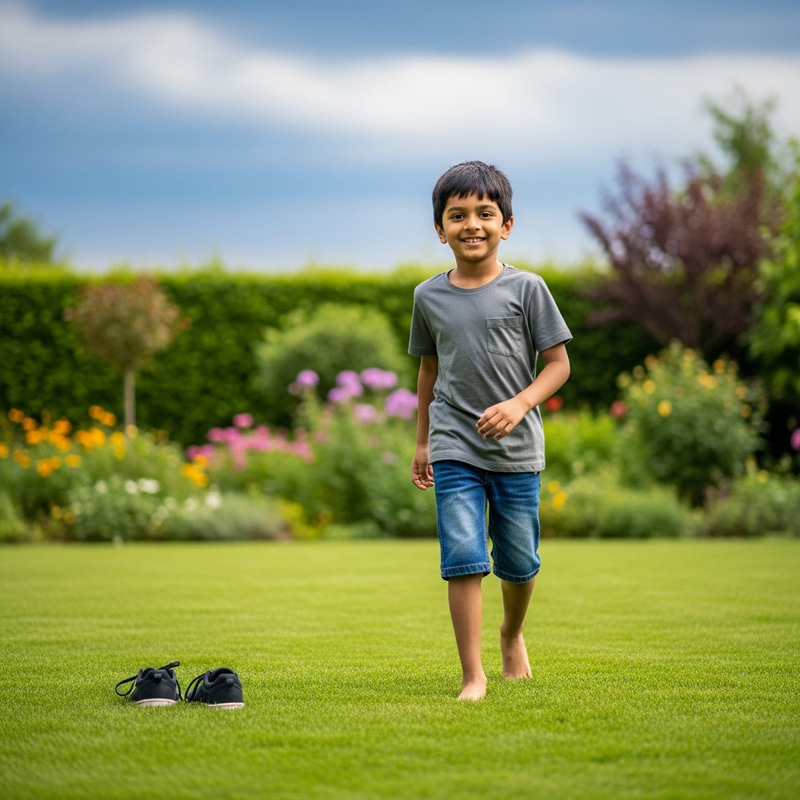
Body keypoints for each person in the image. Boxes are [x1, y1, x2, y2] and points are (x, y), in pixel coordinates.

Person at [409, 161, 572, 701]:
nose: (471, 224)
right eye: (457, 215)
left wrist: (521, 403)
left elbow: (557, 365)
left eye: (485, 213)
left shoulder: (528, 289)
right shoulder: (427, 297)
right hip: (455, 440)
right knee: (462, 554)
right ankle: (472, 675)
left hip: (517, 447)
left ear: (507, 224)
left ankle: (512, 633)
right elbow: (428, 371)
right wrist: (422, 440)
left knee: (520, 561)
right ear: (440, 229)